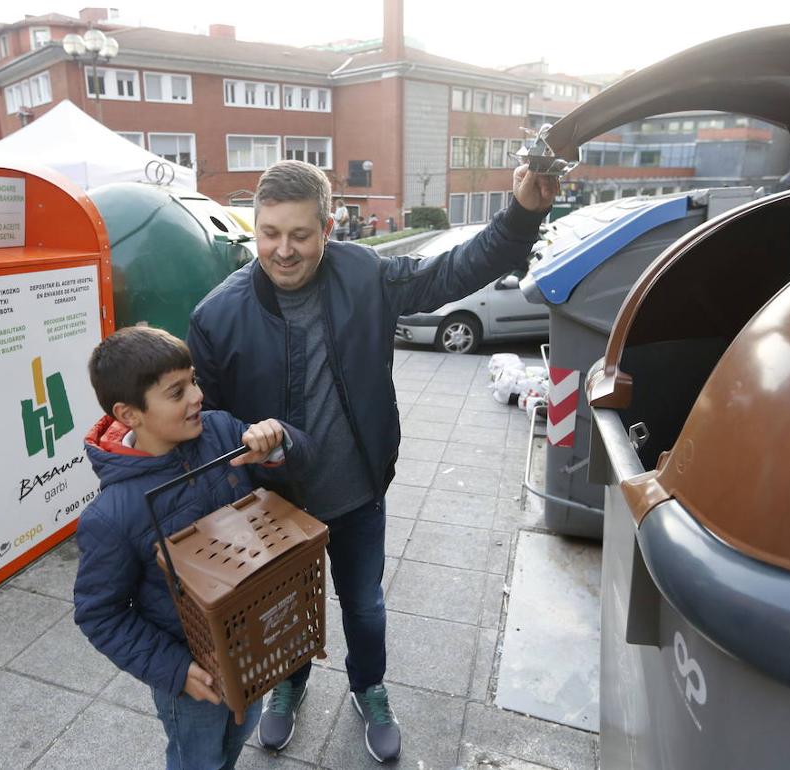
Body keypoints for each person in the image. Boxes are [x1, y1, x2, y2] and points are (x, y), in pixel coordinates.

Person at [187, 160, 556, 763]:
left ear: (328, 229)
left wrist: (522, 216)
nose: (282, 250)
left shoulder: (363, 275)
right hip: (275, 505)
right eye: (269, 233)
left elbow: (451, 272)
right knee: (283, 610)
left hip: (357, 491)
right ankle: (290, 682)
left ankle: (368, 686)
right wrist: (247, 447)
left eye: (299, 235)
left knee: (364, 604)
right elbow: (210, 423)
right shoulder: (216, 316)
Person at [73, 326, 312, 770]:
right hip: (191, 668)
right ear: (130, 414)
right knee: (197, 755)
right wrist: (175, 670)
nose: (197, 396)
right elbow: (99, 613)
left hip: (248, 639)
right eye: (176, 391)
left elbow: (295, 463)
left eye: (195, 381)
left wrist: (276, 446)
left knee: (241, 727)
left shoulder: (221, 432)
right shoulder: (113, 515)